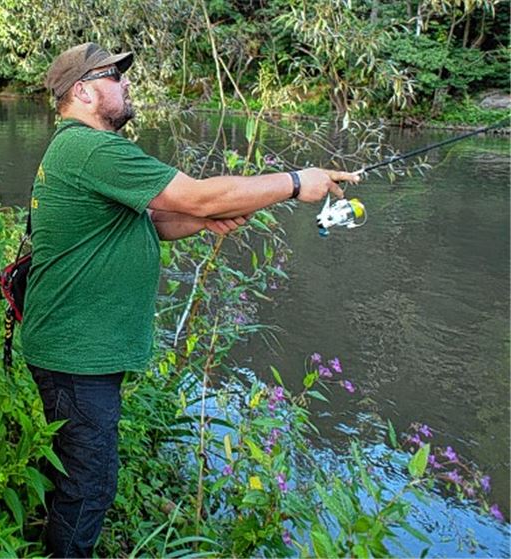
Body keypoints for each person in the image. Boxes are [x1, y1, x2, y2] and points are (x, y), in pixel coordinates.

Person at [20, 42, 360, 557]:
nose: (126, 83)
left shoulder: (78, 151)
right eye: (114, 76)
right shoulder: (93, 149)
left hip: (73, 346)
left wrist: (200, 223)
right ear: (84, 91)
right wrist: (295, 183)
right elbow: (199, 193)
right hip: (76, 354)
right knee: (88, 487)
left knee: (76, 469)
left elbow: (151, 220)